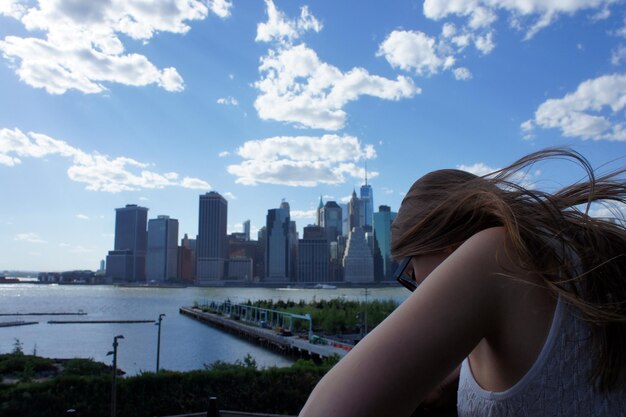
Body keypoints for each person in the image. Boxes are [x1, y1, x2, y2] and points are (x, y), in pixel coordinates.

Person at [299, 148, 626, 417]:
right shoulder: (569, 263)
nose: (413, 279)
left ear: (448, 248)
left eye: (409, 265)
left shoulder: (498, 254)